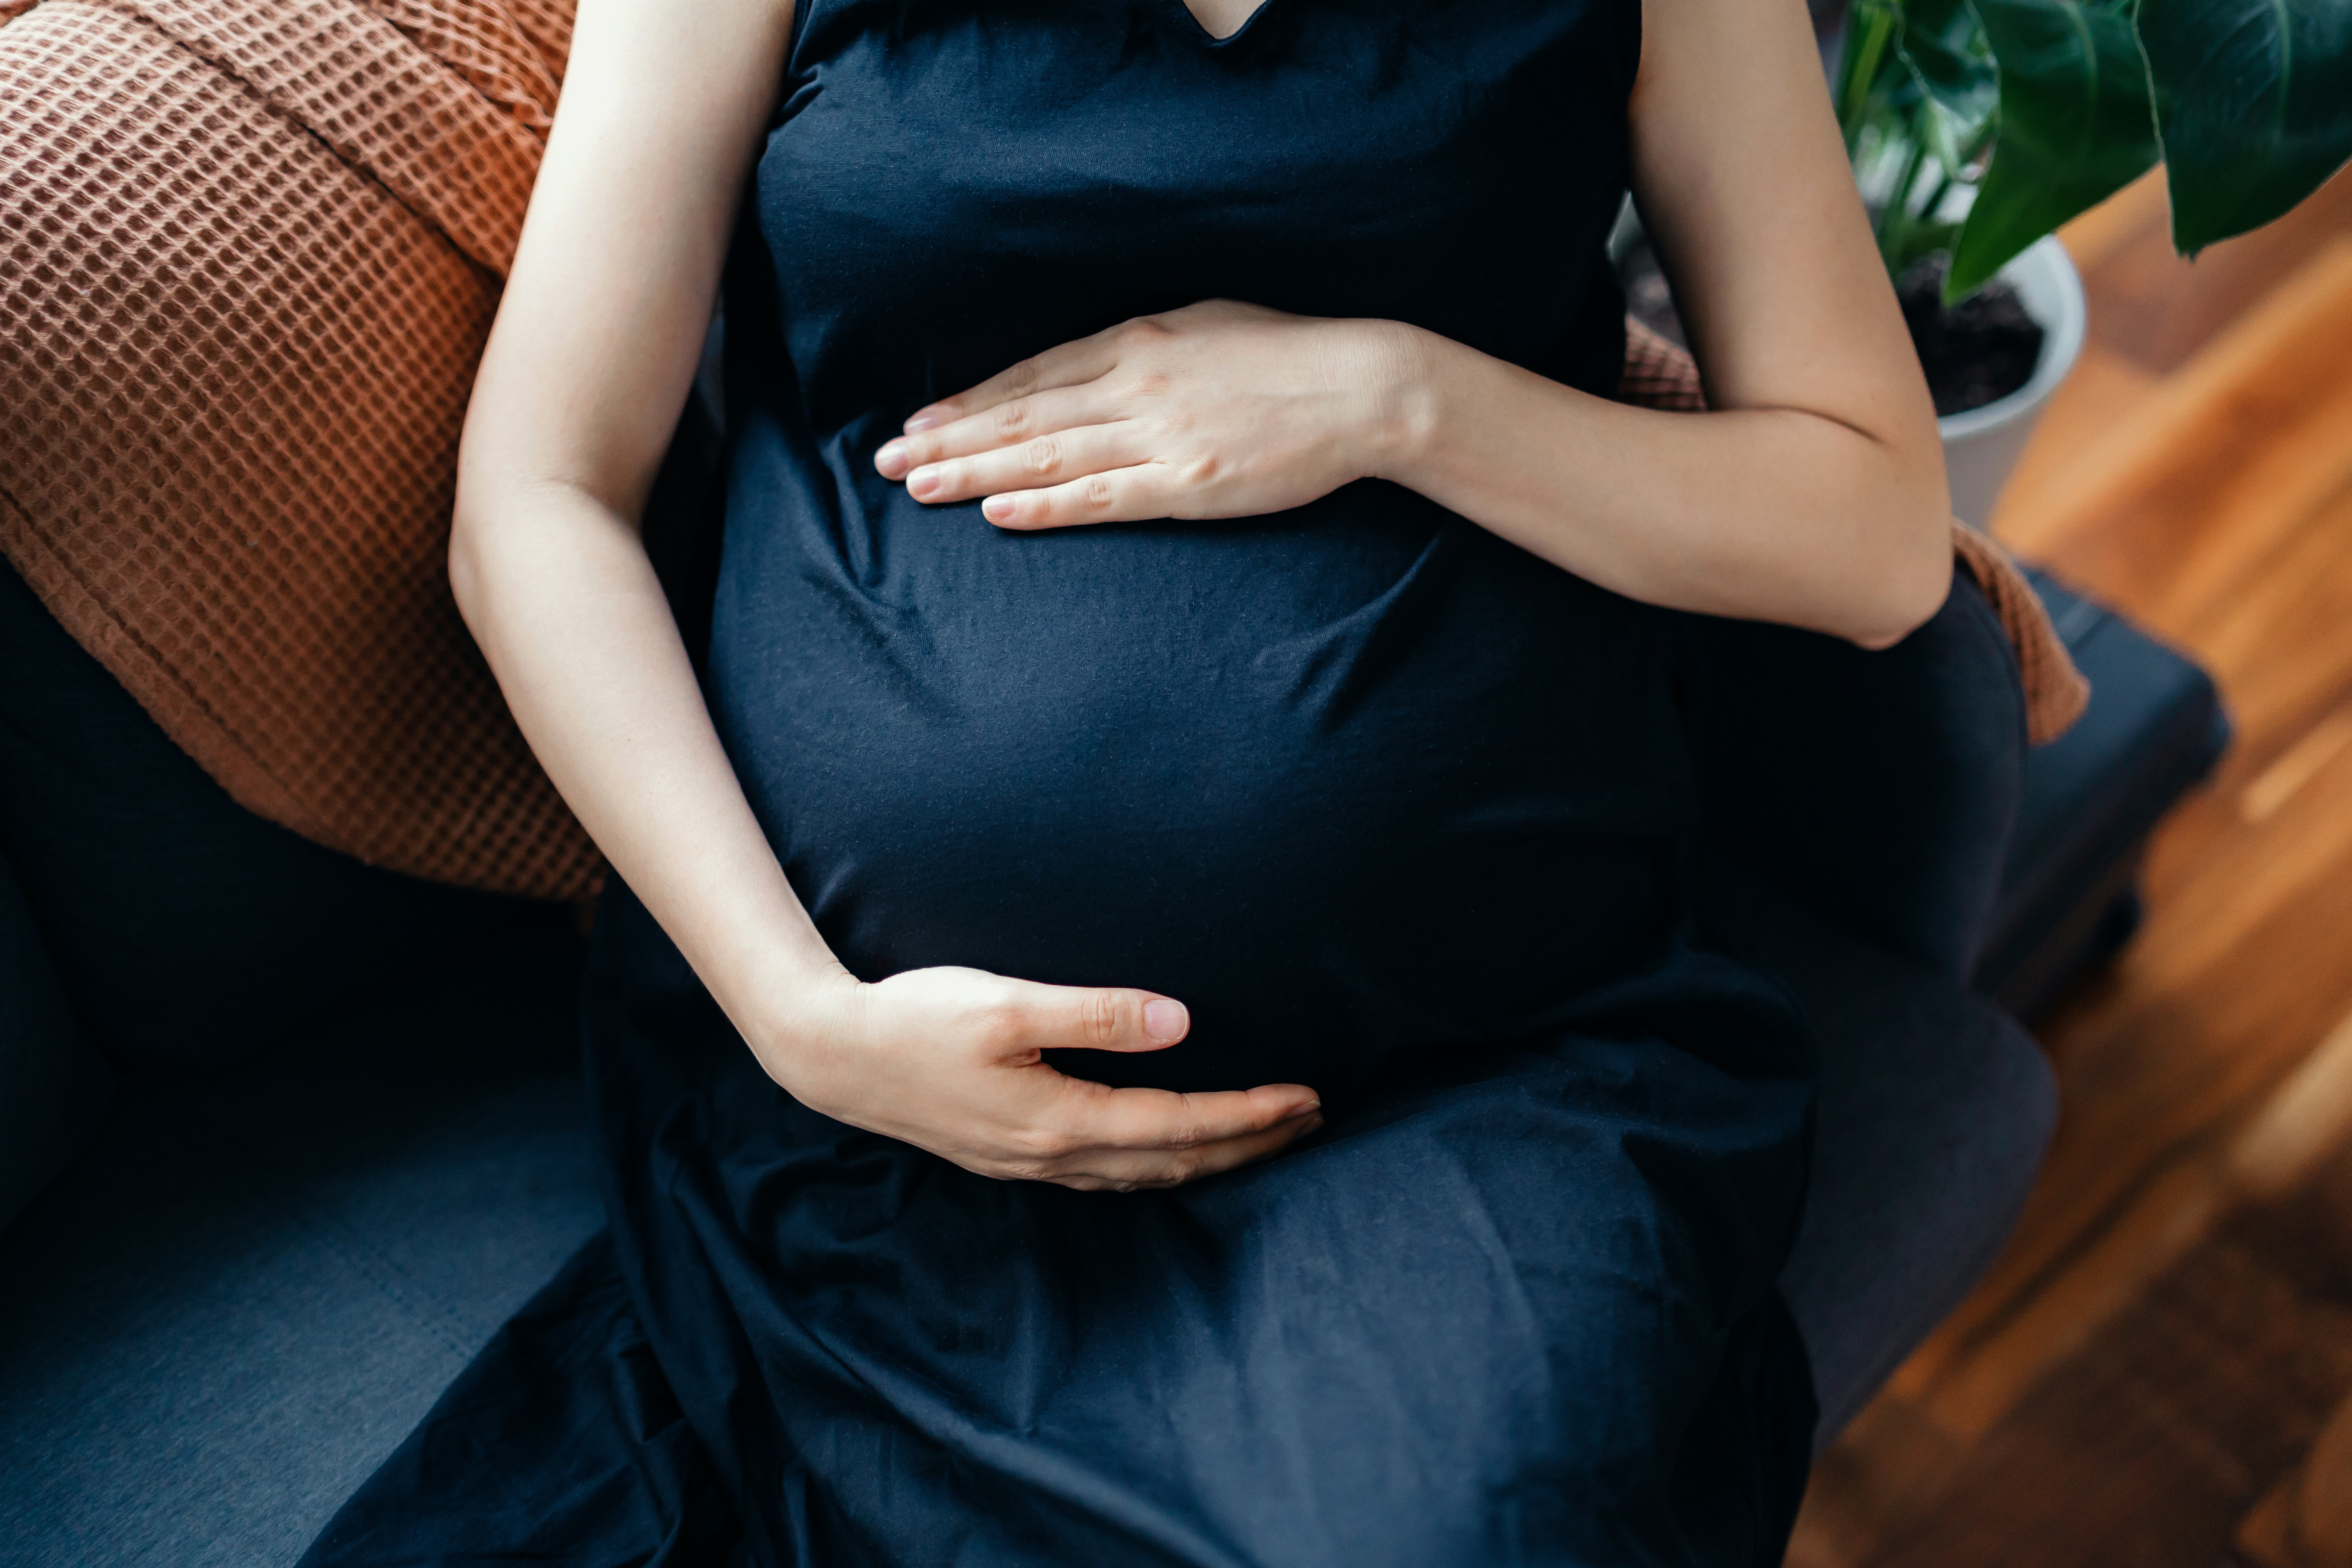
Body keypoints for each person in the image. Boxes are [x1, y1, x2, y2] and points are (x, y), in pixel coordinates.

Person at [301, 0, 1952, 1561]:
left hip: (1473, 1066)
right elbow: (539, 495)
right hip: (885, 1096)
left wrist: (1402, 400)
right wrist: (801, 1017)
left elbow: (1874, 534)